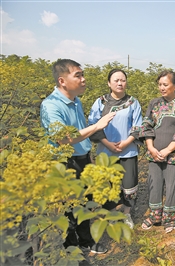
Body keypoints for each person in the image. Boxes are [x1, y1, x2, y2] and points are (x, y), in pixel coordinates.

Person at [40, 59, 115, 254]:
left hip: (81, 158)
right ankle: (72, 251)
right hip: (64, 162)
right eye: (78, 75)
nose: (83, 79)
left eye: (83, 74)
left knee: (85, 203)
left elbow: (81, 133)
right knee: (70, 209)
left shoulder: (76, 100)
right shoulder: (50, 105)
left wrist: (88, 158)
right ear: (62, 80)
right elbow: (63, 139)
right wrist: (97, 126)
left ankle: (86, 241)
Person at [88, 69, 142, 229]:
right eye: (116, 80)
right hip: (106, 152)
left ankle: (126, 213)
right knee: (108, 185)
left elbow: (138, 125)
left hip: (128, 150)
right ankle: (111, 214)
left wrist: (126, 142)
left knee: (129, 184)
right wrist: (107, 143)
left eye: (123, 80)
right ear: (109, 83)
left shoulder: (133, 102)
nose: (120, 83)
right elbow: (93, 124)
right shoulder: (101, 102)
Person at [138, 70, 175, 233]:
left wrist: (168, 150)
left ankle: (170, 218)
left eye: (165, 84)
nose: (162, 87)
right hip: (154, 153)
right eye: (160, 84)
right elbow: (146, 126)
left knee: (172, 185)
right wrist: (151, 148)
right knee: (154, 185)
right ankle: (155, 216)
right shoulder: (154, 103)